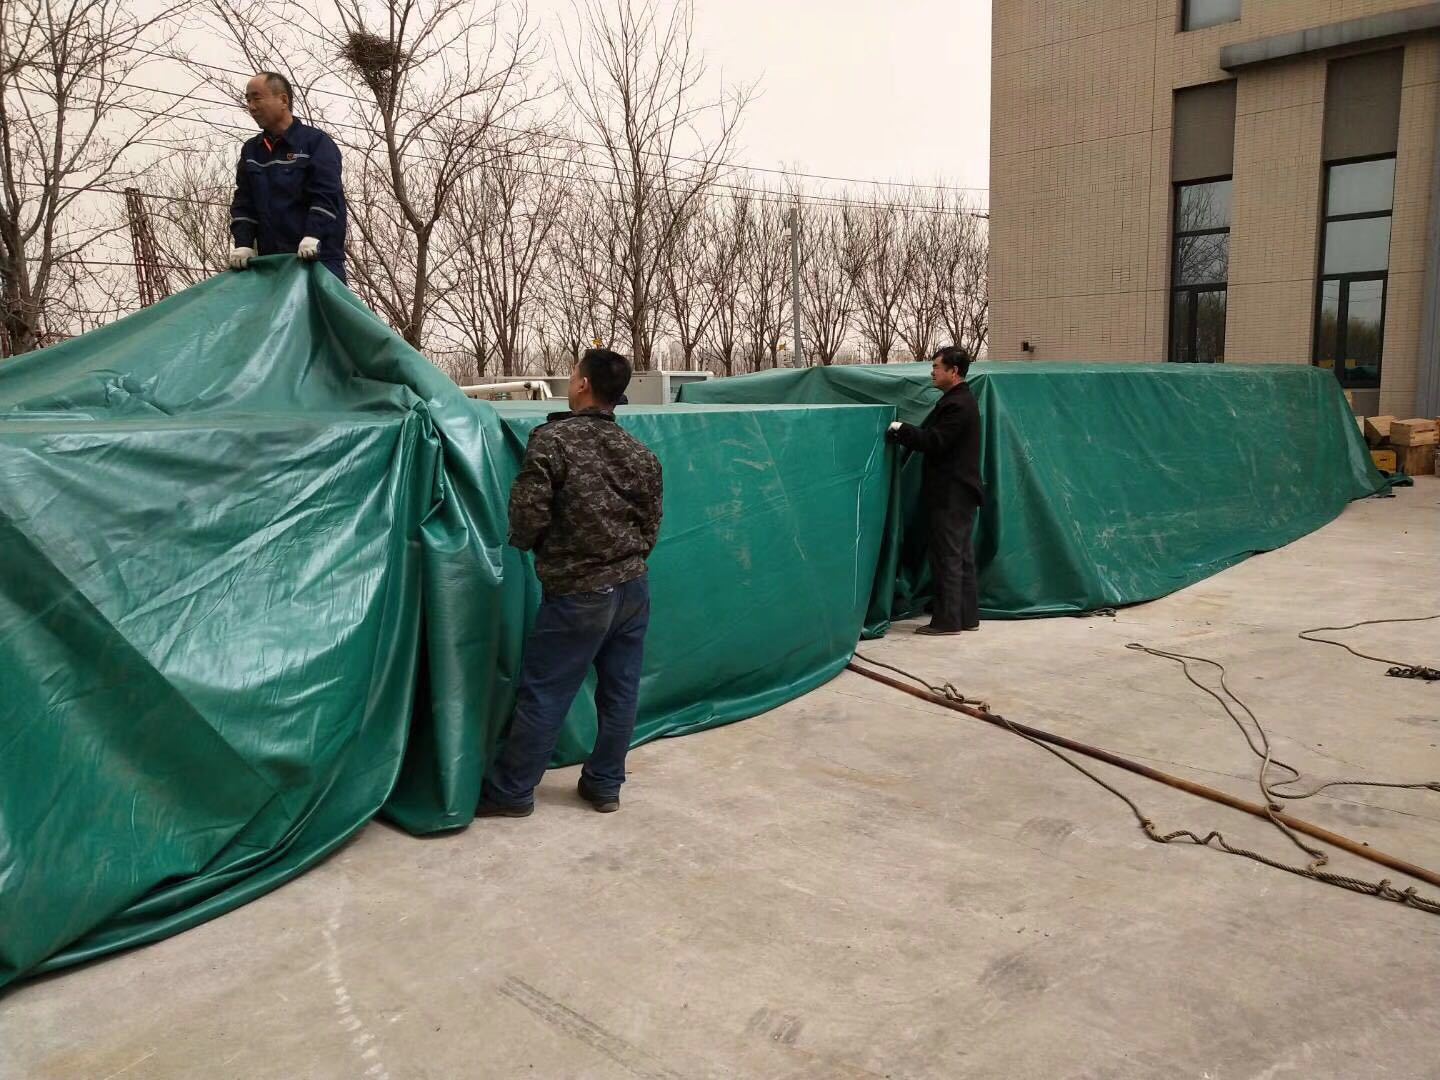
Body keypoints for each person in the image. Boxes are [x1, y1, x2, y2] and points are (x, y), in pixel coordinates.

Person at [479, 348, 664, 817]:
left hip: (579, 593)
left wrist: (535, 544)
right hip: (632, 589)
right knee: (620, 692)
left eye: (574, 372)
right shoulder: (641, 454)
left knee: (546, 691)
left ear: (582, 385)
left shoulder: (553, 441)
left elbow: (526, 518)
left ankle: (512, 791)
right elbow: (650, 527)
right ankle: (604, 785)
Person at [886, 345, 985, 636]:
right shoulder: (961, 401)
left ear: (953, 371)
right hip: (960, 493)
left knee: (947, 558)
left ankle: (947, 621)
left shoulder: (957, 405)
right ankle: (966, 617)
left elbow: (935, 442)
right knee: (961, 556)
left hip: (951, 494)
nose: (932, 372)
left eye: (936, 367)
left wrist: (900, 430)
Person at [228, 72, 348, 283]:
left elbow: (326, 194)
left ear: (283, 100)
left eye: (257, 98)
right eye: (248, 100)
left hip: (319, 262)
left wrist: (313, 234)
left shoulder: (315, 143)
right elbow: (244, 203)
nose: (251, 106)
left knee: (322, 316)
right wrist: (243, 243)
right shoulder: (252, 151)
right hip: (273, 265)